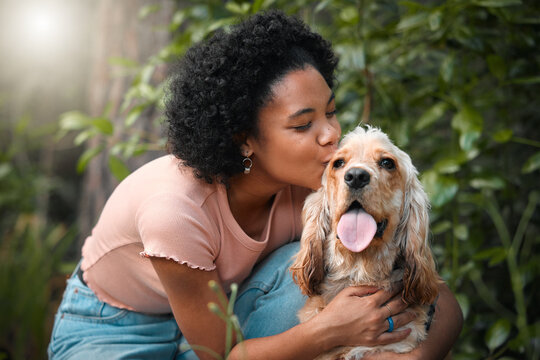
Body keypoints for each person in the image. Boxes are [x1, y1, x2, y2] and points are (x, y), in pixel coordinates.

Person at [48, 10, 462, 360]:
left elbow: (437, 296)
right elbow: (221, 355)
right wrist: (331, 330)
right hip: (115, 328)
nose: (330, 136)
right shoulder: (174, 211)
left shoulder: (321, 181)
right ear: (243, 137)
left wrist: (412, 356)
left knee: (313, 262)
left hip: (226, 310)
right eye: (303, 124)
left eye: (330, 113)